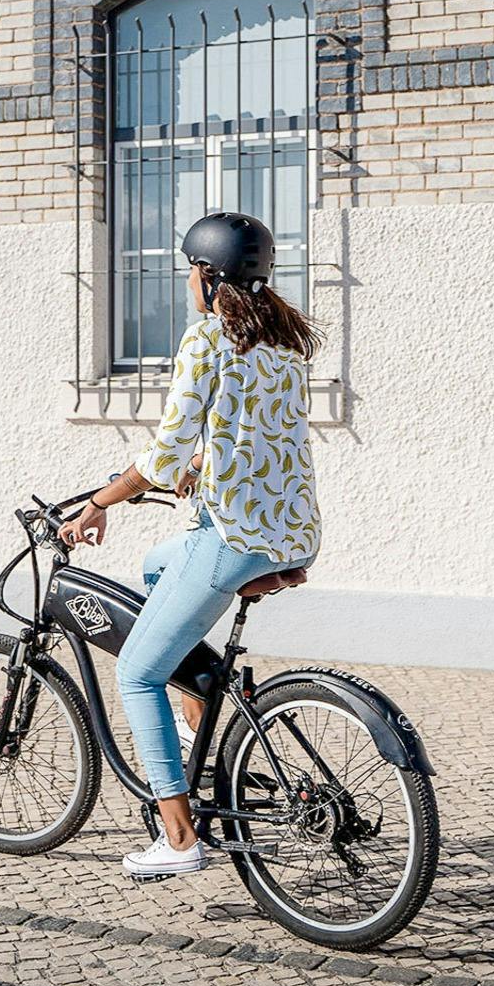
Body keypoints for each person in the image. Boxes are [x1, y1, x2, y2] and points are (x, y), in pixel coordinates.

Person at [59, 210, 322, 879]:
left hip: (234, 538)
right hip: (290, 535)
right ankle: (191, 714)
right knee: (155, 565)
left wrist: (96, 505)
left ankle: (178, 839)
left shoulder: (207, 339)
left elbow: (160, 453)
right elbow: (260, 436)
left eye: (188, 270)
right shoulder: (282, 343)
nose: (185, 282)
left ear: (206, 277)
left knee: (133, 671)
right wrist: (206, 466)